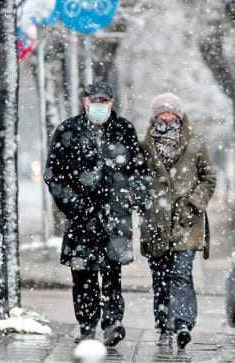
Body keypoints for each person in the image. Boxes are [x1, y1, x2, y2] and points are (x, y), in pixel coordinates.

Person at [44, 81, 148, 346]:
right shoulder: (68, 130)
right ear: (85, 102)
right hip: (81, 219)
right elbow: (53, 175)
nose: (100, 106)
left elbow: (139, 171)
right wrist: (74, 203)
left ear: (111, 103)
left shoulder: (124, 130)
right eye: (95, 101)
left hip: (114, 217)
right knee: (83, 275)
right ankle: (87, 325)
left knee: (112, 274)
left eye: (105, 101)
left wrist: (131, 195)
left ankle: (113, 322)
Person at [139, 92, 217, 349]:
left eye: (171, 113)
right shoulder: (145, 146)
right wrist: (143, 201)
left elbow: (208, 178)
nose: (167, 117)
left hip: (186, 223)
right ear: (155, 117)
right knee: (160, 278)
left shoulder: (195, 144)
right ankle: (163, 325)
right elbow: (137, 180)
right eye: (161, 113)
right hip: (155, 224)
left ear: (179, 115)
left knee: (181, 274)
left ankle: (182, 323)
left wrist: (194, 202)